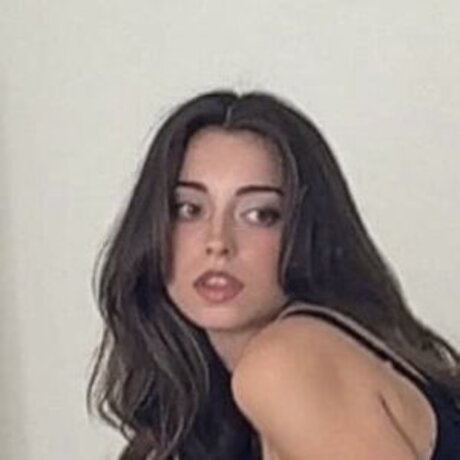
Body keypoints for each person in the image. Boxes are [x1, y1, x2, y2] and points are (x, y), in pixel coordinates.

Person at [88, 90, 460, 459]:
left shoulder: (285, 363)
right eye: (189, 209)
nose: (218, 242)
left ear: (307, 232)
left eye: (260, 215)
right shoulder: (241, 394)